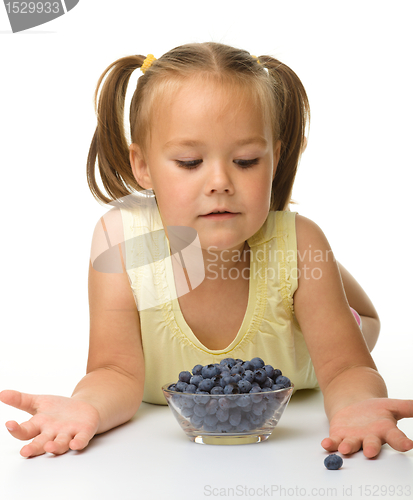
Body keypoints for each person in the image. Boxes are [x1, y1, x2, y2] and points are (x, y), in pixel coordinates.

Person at [1, 42, 412, 460]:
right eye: (190, 162)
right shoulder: (121, 241)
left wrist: (358, 406)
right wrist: (83, 407)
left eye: (247, 161)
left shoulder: (303, 242)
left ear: (276, 157)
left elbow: (345, 368)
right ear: (142, 166)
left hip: (327, 328)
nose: (219, 181)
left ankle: (307, 275)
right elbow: (114, 371)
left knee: (303, 254)